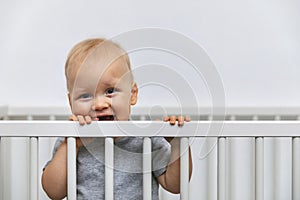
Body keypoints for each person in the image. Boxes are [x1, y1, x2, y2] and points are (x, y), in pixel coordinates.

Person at [41, 38, 193, 200]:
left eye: (110, 91)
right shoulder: (72, 140)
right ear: (71, 103)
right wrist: (71, 146)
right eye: (85, 95)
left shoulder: (147, 138)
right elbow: (54, 193)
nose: (99, 104)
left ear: (132, 94)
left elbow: (175, 185)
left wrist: (177, 143)